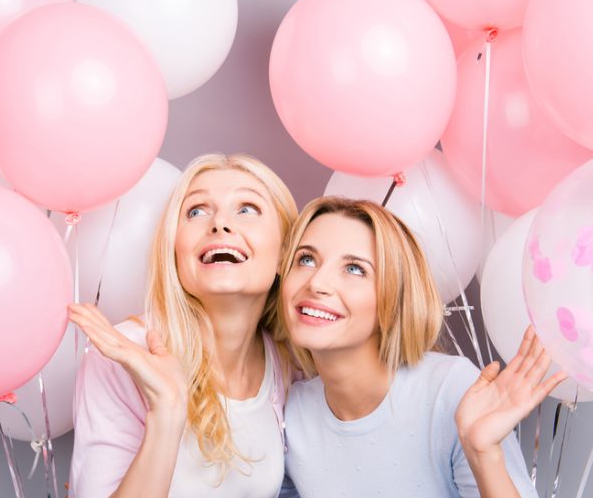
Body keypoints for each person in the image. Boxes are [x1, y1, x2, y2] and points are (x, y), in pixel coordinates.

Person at [276, 196, 565, 498]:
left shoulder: (451, 389)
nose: (317, 282)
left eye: (354, 269)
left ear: (394, 300)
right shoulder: (292, 412)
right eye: (306, 259)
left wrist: (483, 454)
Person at [68, 153, 299, 497]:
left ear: (285, 253)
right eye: (196, 211)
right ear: (175, 249)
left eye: (247, 208)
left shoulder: (286, 362)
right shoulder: (123, 355)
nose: (219, 224)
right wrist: (167, 412)